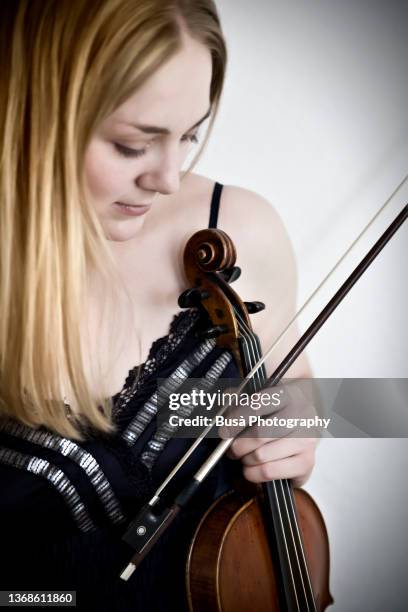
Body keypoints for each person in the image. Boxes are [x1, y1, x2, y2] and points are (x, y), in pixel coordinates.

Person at [0, 1, 316, 609]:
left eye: (191, 134)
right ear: (35, 116)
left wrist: (303, 428)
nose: (170, 178)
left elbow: (310, 390)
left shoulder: (240, 227)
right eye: (131, 145)